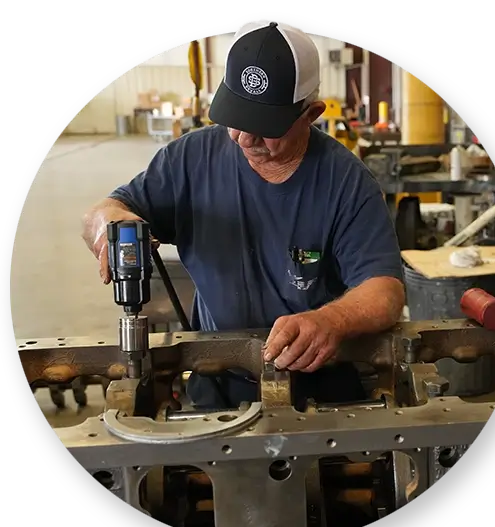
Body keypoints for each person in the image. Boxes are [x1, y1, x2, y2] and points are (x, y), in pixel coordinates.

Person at [81, 19, 405, 410]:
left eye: (265, 126)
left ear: (311, 113)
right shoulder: (189, 160)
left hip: (320, 392)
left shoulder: (346, 182)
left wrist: (330, 322)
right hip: (215, 382)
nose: (243, 138)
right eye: (236, 118)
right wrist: (110, 228)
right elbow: (104, 211)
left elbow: (385, 291)